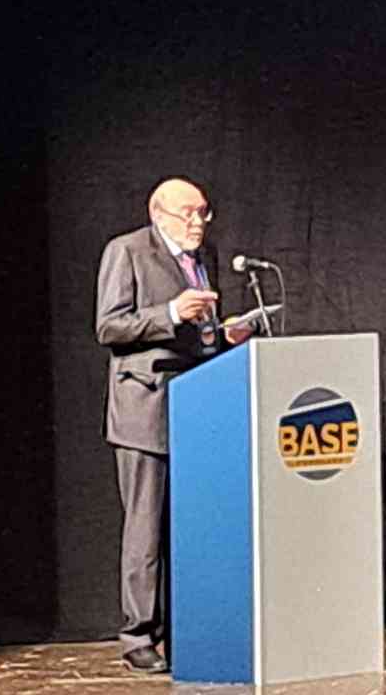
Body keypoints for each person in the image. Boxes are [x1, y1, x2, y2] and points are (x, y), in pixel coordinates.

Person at [95, 178, 252, 673]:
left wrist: (224, 334)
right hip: (145, 409)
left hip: (198, 408)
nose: (198, 222)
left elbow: (200, 333)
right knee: (145, 528)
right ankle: (138, 635)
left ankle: (190, 628)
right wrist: (169, 312)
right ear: (158, 213)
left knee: (190, 527)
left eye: (204, 212)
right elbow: (109, 326)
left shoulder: (202, 258)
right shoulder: (127, 252)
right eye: (189, 213)